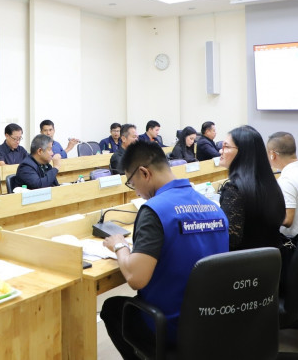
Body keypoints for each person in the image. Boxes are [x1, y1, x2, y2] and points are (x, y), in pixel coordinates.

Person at [99, 141, 228, 356]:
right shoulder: (214, 207)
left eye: (132, 183)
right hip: (213, 320)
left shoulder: (154, 210)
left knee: (113, 309)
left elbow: (136, 278)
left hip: (170, 326)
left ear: (144, 173)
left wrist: (119, 245)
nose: (136, 192)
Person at [218, 125, 286, 250]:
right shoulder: (271, 183)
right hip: (274, 258)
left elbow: (230, 240)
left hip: (246, 260)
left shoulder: (234, 190)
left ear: (242, 152)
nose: (220, 151)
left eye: (226, 147)